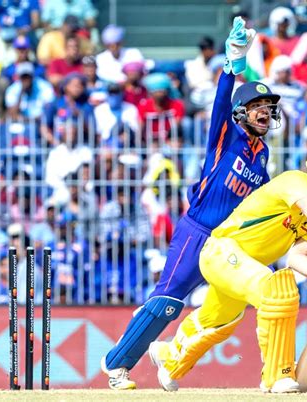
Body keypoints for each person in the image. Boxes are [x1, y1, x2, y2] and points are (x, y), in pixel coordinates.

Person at [100, 17, 281, 390]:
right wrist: (233, 65)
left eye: (268, 106)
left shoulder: (262, 155)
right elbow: (220, 101)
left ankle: (169, 359)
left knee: (225, 307)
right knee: (168, 301)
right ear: (241, 113)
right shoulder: (225, 136)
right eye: (257, 105)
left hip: (225, 244)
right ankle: (117, 364)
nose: (264, 111)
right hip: (197, 232)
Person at [148, 158, 307, 393]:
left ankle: (168, 357)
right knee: (277, 292)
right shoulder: (295, 182)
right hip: (221, 251)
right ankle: (277, 372)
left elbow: (297, 258)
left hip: (245, 267)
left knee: (216, 322)